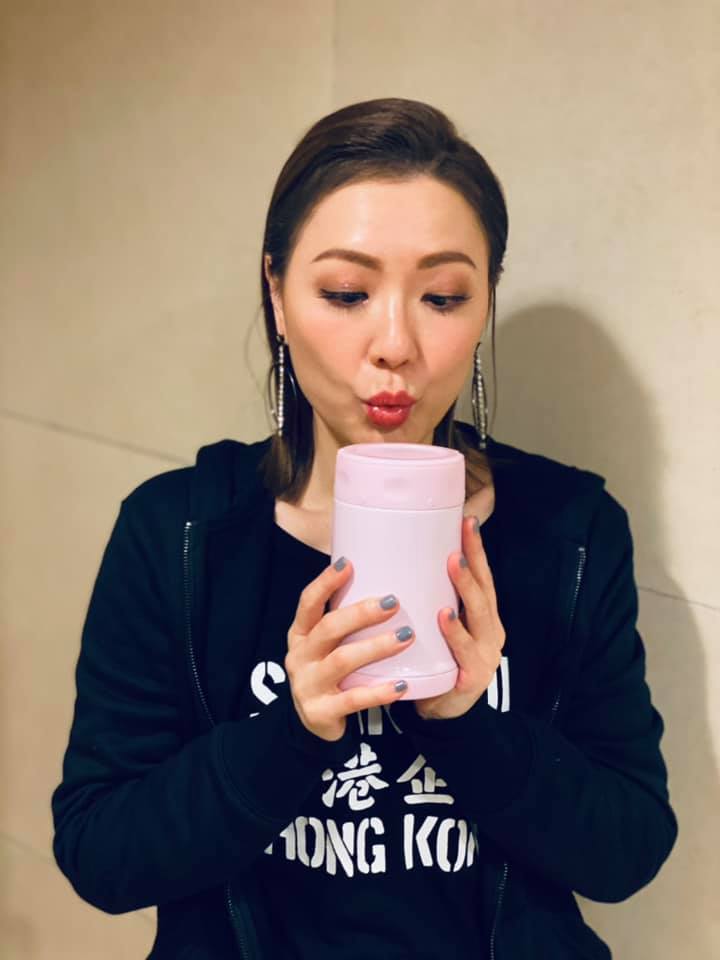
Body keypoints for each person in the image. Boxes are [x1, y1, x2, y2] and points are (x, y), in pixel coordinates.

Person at [51, 97, 678, 959]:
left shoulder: (569, 533)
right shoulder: (181, 534)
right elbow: (101, 853)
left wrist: (466, 720)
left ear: (485, 305)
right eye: (346, 293)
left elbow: (629, 849)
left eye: (443, 296)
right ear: (277, 294)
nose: (395, 345)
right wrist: (293, 731)